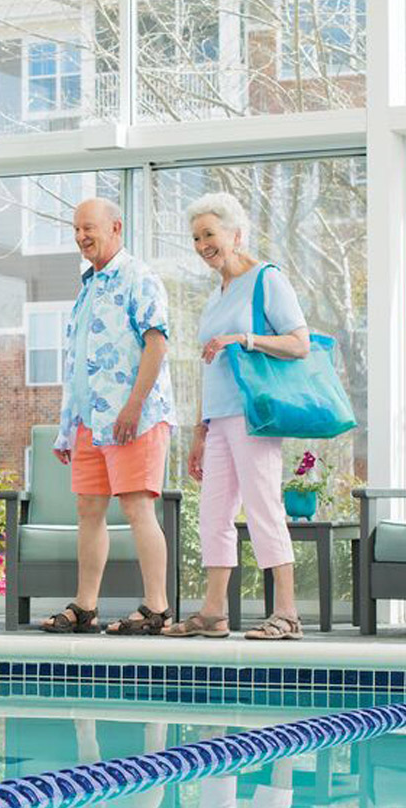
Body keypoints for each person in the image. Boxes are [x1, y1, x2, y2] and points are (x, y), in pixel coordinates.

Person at [163, 192, 310, 640]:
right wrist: (199, 432)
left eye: (209, 234)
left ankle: (286, 613)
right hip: (219, 420)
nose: (202, 244)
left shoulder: (267, 279)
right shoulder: (216, 295)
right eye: (196, 238)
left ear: (235, 233)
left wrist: (244, 338)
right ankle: (213, 613)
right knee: (212, 516)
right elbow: (211, 365)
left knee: (263, 507)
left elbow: (300, 343)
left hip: (253, 416)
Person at [41, 198, 177, 636]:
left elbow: (156, 343)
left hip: (132, 417)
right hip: (90, 422)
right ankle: (85, 606)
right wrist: (68, 429)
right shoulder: (88, 288)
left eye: (89, 228)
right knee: (88, 509)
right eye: (77, 229)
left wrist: (133, 406)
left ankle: (157, 608)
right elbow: (79, 363)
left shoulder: (140, 278)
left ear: (116, 227)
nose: (82, 236)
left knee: (137, 508)